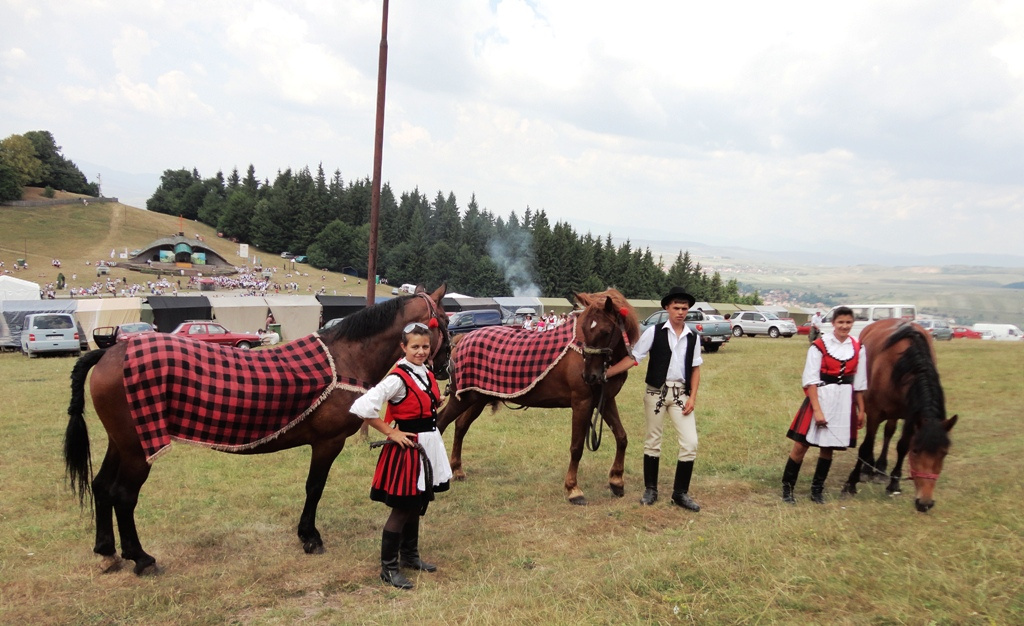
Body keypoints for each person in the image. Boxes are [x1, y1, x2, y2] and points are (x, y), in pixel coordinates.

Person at [350, 322, 453, 589]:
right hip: (408, 448)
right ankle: (389, 568)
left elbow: (418, 401)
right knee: (403, 507)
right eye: (415, 347)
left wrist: (434, 401)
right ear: (403, 347)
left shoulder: (425, 371)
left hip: (428, 443)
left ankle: (409, 556)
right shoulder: (397, 377)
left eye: (425, 346)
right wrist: (390, 432)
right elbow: (363, 407)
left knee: (416, 503)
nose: (420, 351)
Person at [612, 287, 704, 511]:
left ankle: (680, 493)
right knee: (653, 440)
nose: (680, 312)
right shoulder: (654, 332)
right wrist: (607, 374)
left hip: (680, 394)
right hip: (656, 393)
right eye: (676, 308)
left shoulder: (693, 337)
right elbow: (635, 357)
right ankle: (650, 490)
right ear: (667, 308)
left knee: (690, 442)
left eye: (684, 308)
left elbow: (696, 368)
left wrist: (692, 397)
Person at [781, 306, 866, 504]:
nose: (844, 326)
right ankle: (787, 489)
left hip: (843, 401)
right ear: (833, 323)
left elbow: (860, 383)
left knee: (828, 447)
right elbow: (810, 380)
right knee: (801, 445)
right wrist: (817, 411)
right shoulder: (819, 345)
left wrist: (861, 410)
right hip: (820, 397)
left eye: (848, 322)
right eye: (841, 322)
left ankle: (817, 490)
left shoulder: (858, 347)